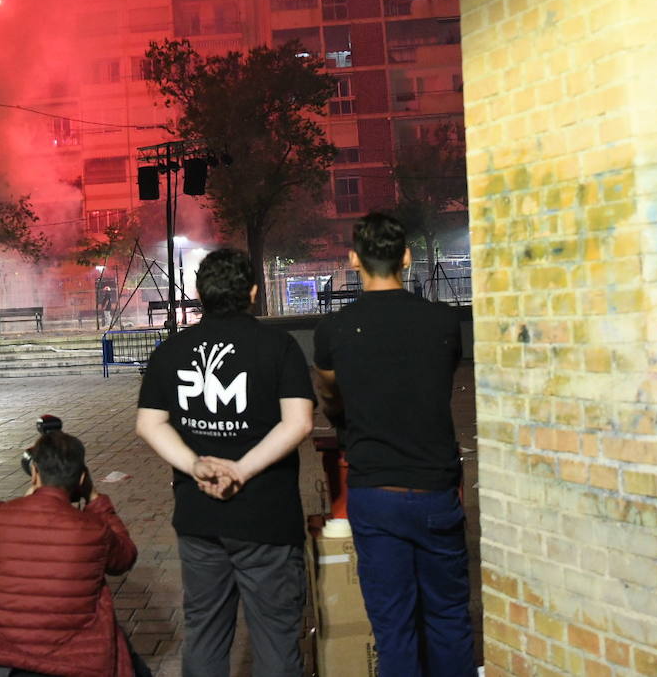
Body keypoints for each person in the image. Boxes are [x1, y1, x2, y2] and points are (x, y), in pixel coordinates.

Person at [136, 247, 315, 677]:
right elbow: (299, 422)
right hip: (267, 518)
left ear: (200, 294)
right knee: (274, 635)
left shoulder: (172, 351)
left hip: (200, 518)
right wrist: (244, 469)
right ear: (252, 292)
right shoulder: (279, 347)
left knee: (205, 633)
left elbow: (149, 423)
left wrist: (195, 464)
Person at [312, 212, 474, 677]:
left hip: (374, 491)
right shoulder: (442, 323)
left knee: (393, 626)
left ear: (353, 259)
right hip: (435, 487)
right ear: (405, 256)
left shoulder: (335, 331)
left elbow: (329, 394)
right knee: (447, 618)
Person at [0, 429, 146, 677]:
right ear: (81, 480)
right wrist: (95, 500)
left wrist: (22, 504)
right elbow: (125, 557)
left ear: (35, 472)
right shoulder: (95, 527)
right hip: (77, 658)